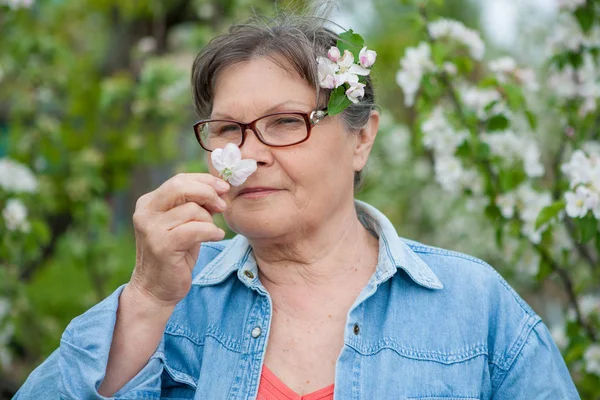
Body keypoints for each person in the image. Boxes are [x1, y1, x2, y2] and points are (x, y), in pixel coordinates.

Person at [15, 11, 580, 400]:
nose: (251, 153)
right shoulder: (173, 304)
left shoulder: (475, 309)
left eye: (286, 122)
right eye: (229, 128)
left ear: (362, 138)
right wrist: (145, 299)